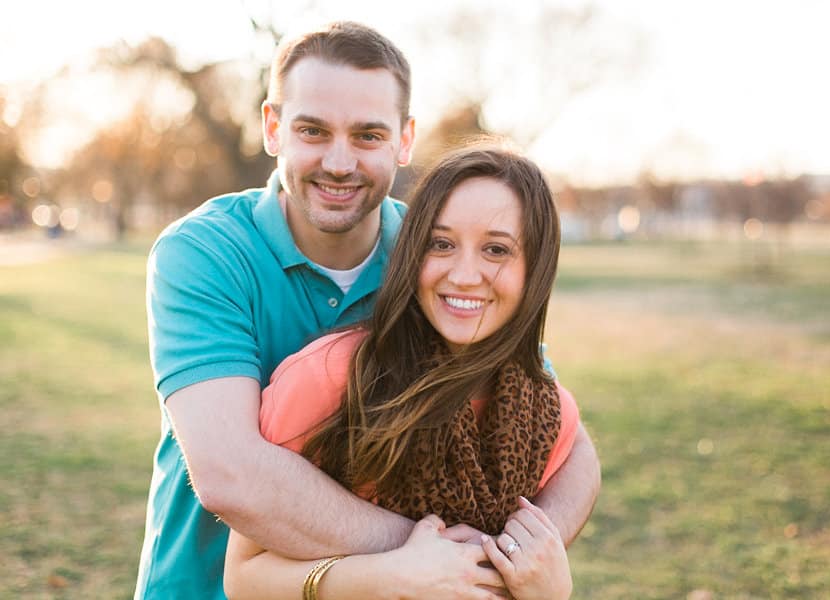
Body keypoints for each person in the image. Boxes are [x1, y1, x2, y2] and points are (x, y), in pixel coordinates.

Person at [137, 21, 600, 600]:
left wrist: (521, 563)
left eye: (367, 135)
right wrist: (429, 553)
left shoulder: (436, 254)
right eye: (312, 130)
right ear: (273, 127)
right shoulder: (204, 253)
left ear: (404, 141)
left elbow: (563, 431)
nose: (339, 162)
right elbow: (232, 474)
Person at [224, 145, 580, 600]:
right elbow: (244, 577)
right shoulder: (330, 378)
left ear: (537, 268)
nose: (463, 275)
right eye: (442, 244)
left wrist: (552, 592)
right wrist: (387, 576)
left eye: (496, 250)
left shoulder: (547, 414)